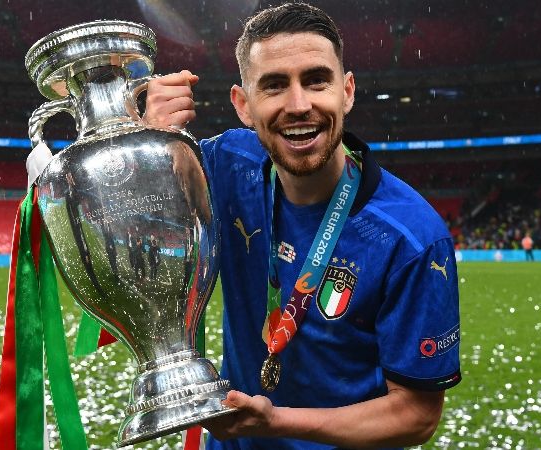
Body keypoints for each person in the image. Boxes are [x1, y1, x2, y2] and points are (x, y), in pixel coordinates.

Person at [144, 3, 461, 449]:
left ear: (347, 91)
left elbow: (416, 415)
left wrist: (278, 423)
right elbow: (135, 230)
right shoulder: (224, 165)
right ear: (243, 104)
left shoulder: (413, 238)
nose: (299, 105)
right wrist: (149, 142)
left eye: (316, 80)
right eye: (274, 85)